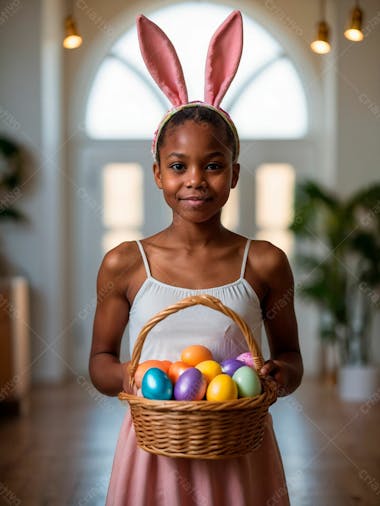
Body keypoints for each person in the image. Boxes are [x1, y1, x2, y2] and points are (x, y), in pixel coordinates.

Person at [89, 11, 303, 506]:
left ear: (234, 174)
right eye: (178, 166)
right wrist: (131, 376)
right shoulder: (126, 263)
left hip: (239, 451)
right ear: (157, 173)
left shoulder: (265, 262)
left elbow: (292, 359)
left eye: (213, 166)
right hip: (153, 454)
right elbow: (99, 362)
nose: (195, 180)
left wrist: (279, 375)